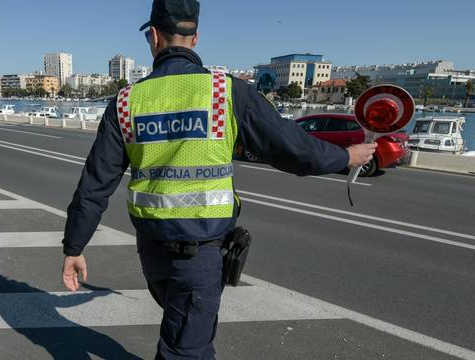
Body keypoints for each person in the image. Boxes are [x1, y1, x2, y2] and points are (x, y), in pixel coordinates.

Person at [61, 0, 377, 358]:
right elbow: (291, 147)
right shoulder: (225, 92)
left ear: (153, 36)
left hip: (151, 253)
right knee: (186, 349)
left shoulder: (125, 102)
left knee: (182, 329)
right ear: (195, 37)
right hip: (200, 254)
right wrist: (344, 157)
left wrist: (74, 246)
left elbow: (95, 183)